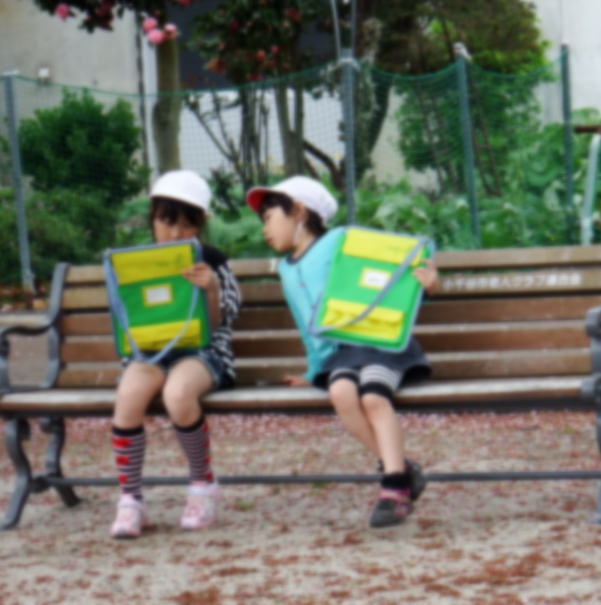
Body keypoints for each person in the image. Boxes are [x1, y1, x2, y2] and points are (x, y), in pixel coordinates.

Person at [246, 175, 439, 528]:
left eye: (269, 217)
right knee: (341, 393)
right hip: (343, 355)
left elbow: (387, 273)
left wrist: (426, 287)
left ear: (299, 212)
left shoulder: (340, 241)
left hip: (381, 343)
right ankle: (402, 469)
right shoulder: (286, 269)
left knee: (373, 397)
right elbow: (307, 326)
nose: (264, 229)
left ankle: (394, 488)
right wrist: (313, 372)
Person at [110, 170, 241, 538]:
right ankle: (130, 500)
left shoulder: (211, 259)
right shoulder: (135, 262)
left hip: (203, 351)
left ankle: (202, 484)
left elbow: (220, 323)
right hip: (150, 352)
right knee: (129, 395)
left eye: (187, 225)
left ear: (200, 225)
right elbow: (125, 318)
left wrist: (212, 290)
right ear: (152, 218)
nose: (174, 233)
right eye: (166, 222)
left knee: (178, 393)